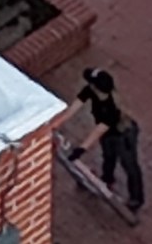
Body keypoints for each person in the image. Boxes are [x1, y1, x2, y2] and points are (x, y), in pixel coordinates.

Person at [55, 68, 145, 213]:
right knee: (108, 156)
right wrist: (56, 124)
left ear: (96, 87)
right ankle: (107, 180)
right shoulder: (90, 90)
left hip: (123, 135)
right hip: (108, 132)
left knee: (129, 165)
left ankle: (136, 199)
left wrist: (80, 150)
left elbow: (98, 131)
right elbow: (74, 107)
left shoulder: (112, 108)